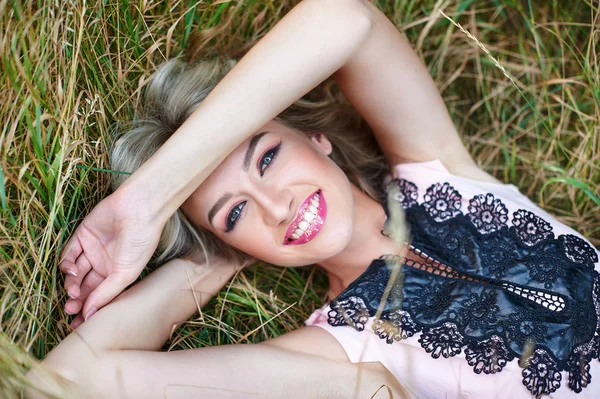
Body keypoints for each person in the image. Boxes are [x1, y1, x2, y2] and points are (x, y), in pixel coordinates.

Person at [27, 0, 600, 398]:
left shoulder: (441, 173)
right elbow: (68, 381)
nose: (277, 206)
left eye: (268, 157)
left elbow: (347, 19)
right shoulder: (341, 361)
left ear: (317, 138)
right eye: (235, 212)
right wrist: (216, 255)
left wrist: (149, 196)